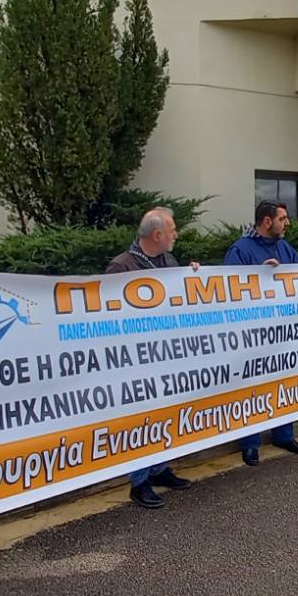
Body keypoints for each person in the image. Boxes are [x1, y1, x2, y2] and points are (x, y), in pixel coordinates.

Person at [106, 207, 199, 508]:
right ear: (157, 235)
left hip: (166, 356)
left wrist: (192, 278)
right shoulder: (121, 267)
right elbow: (109, 315)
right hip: (136, 360)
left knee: (164, 414)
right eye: (172, 230)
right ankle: (138, 482)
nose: (176, 235)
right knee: (141, 419)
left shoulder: (168, 261)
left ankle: (159, 469)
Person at [223, 200, 298, 465]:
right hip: (252, 334)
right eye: (283, 219)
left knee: (284, 381)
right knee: (252, 387)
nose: (287, 224)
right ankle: (250, 443)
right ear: (266, 221)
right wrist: (260, 275)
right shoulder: (240, 250)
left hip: (282, 332)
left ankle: (284, 435)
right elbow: (228, 288)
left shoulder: (285, 248)